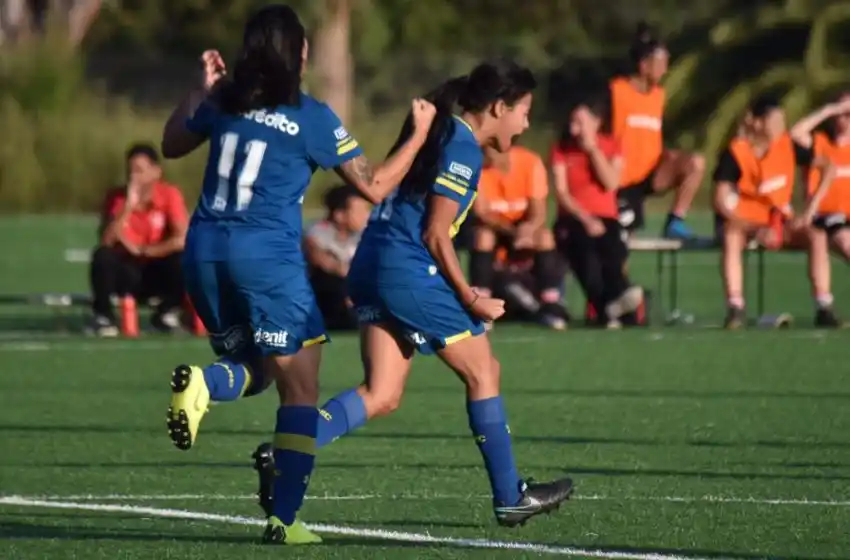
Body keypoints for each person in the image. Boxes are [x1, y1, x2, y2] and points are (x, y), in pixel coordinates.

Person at [254, 60, 574, 528]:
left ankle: (287, 451)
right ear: (499, 107)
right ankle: (511, 496)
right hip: (405, 271)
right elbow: (435, 234)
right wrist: (469, 297)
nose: (526, 124)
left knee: (381, 394)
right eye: (523, 112)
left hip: (372, 265)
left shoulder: (441, 133)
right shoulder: (463, 147)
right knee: (485, 371)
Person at [159, 4, 435, 545]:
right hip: (266, 259)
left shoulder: (222, 102)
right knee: (302, 390)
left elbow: (171, 143)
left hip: (203, 251)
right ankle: (284, 520)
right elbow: (375, 186)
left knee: (257, 370)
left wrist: (201, 89)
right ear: (298, 54)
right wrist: (419, 135)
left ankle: (207, 383)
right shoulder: (310, 116)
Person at [713, 95, 835, 329]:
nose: (781, 125)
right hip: (744, 222)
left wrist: (810, 211)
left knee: (816, 236)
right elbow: (720, 200)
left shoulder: (787, 145)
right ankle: (735, 307)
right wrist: (755, 229)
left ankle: (824, 306)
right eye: (775, 120)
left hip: (778, 221)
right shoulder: (737, 152)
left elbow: (827, 167)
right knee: (731, 236)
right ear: (757, 123)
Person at [551, 97, 644, 329]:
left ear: (596, 122)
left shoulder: (611, 145)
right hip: (574, 218)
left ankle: (613, 307)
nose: (574, 126)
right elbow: (562, 193)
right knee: (584, 250)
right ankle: (610, 307)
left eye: (580, 121)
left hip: (607, 218)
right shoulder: (561, 149)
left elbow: (611, 182)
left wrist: (593, 151)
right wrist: (585, 218)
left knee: (612, 250)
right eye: (573, 120)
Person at [610, 23, 705, 239]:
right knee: (621, 247)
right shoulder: (616, 91)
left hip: (651, 175)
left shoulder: (658, 96)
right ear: (644, 65)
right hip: (621, 181)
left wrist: (666, 155)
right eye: (661, 63)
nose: (665, 69)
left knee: (695, 163)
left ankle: (675, 221)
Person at [90, 143, 188, 336]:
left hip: (156, 269)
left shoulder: (169, 195)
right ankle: (104, 317)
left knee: (186, 259)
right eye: (130, 171)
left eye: (140, 171)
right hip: (127, 272)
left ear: (155, 172)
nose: (134, 177)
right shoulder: (117, 198)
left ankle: (166, 313)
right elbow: (106, 239)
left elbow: (182, 238)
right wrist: (128, 206)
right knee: (102, 257)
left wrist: (147, 251)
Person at [471, 145, 568, 329]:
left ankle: (551, 302)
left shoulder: (530, 162)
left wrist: (527, 230)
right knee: (482, 236)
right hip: (498, 230)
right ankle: (481, 304)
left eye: (489, 151)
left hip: (524, 230)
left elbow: (539, 211)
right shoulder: (477, 168)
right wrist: (513, 232)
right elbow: (482, 213)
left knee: (545, 236)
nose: (485, 156)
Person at [789, 94, 850, 327]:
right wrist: (829, 108)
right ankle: (824, 307)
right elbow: (795, 134)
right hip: (826, 217)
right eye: (841, 115)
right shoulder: (821, 144)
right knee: (846, 242)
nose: (844, 120)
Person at [305, 184, 371, 330]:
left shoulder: (363, 236)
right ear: (340, 215)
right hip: (322, 294)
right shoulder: (318, 233)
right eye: (360, 211)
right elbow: (323, 262)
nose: (366, 215)